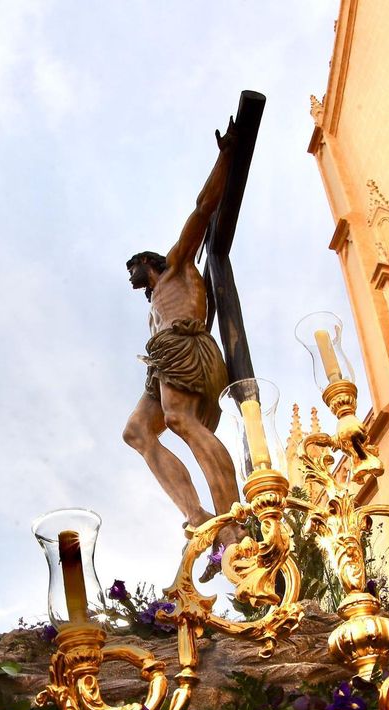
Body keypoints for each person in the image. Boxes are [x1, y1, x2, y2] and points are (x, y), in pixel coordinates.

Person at [123, 127, 243, 539]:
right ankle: (197, 516)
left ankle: (232, 524)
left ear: (147, 261)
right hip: (163, 360)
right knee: (137, 432)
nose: (131, 275)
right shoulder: (155, 303)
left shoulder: (177, 265)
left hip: (185, 346)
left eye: (133, 266)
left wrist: (225, 156)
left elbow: (203, 208)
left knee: (182, 421)